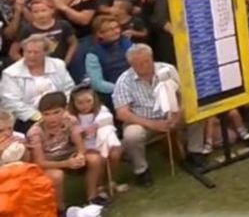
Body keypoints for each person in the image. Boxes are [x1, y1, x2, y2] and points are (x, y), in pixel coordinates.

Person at [113, 44, 204, 186]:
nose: (143, 66)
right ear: (131, 65)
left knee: (195, 112)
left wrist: (178, 112)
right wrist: (151, 124)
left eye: (146, 62)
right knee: (132, 135)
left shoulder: (167, 69)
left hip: (171, 114)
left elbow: (185, 93)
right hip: (144, 122)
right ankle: (141, 171)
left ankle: (195, 153)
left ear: (152, 58)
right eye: (138, 64)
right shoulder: (124, 81)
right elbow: (122, 113)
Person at [27, 91, 108, 206]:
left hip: (69, 155)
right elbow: (39, 162)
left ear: (65, 110)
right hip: (50, 162)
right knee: (57, 175)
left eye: (56, 112)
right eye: (46, 114)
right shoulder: (35, 132)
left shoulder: (70, 120)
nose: (52, 118)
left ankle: (93, 197)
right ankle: (60, 208)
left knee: (95, 159)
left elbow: (79, 144)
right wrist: (66, 163)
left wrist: (80, 155)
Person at [0, 35, 76, 134]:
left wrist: (62, 112)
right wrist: (39, 117)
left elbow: (69, 88)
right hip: (29, 119)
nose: (31, 56)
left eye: (36, 52)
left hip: (62, 112)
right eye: (28, 52)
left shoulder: (58, 65)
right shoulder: (10, 73)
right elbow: (12, 102)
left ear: (45, 52)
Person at [68, 85, 125, 195]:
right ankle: (98, 186)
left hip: (102, 140)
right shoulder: (73, 117)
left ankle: (111, 181)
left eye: (88, 101)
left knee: (115, 153)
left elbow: (108, 122)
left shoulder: (101, 110)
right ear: (74, 103)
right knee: (99, 159)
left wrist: (99, 125)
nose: (85, 106)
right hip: (85, 146)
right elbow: (73, 138)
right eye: (80, 103)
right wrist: (83, 133)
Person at [85, 16, 134, 109]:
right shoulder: (93, 54)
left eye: (117, 27)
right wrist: (122, 89)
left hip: (135, 88)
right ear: (100, 34)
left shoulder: (126, 43)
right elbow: (97, 83)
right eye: (110, 29)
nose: (116, 31)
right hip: (112, 95)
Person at [11, 0, 76, 67]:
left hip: (60, 64)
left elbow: (73, 43)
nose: (40, 14)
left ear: (52, 10)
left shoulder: (63, 25)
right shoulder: (27, 29)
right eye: (36, 12)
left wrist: (67, 59)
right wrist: (27, 63)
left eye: (44, 10)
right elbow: (13, 51)